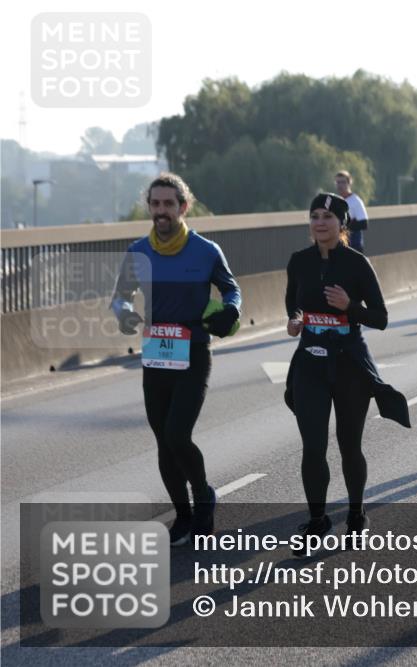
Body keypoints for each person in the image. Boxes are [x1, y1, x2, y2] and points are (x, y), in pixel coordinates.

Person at [111, 173, 242, 546]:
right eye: (155, 204)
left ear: (183, 207)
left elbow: (232, 288)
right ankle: (182, 516)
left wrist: (231, 309)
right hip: (156, 352)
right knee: (163, 440)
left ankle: (203, 497)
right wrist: (123, 313)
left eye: (169, 204)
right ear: (149, 207)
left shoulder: (205, 250)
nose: (161, 211)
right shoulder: (138, 252)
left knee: (177, 433)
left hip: (193, 350)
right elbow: (120, 296)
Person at [283, 193, 410, 557]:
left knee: (349, 444)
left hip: (350, 364)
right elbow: (293, 302)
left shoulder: (357, 264)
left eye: (328, 217)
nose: (320, 222)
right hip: (310, 362)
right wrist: (295, 320)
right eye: (314, 216)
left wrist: (349, 307)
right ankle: (318, 520)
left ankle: (356, 514)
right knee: (313, 446)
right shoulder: (299, 261)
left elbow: (381, 318)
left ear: (343, 224)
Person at [335, 171, 369, 254]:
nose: (340, 185)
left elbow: (364, 223)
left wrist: (345, 226)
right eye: (338, 182)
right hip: (340, 246)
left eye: (343, 182)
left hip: (354, 247)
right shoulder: (336, 201)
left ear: (349, 183)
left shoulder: (355, 201)